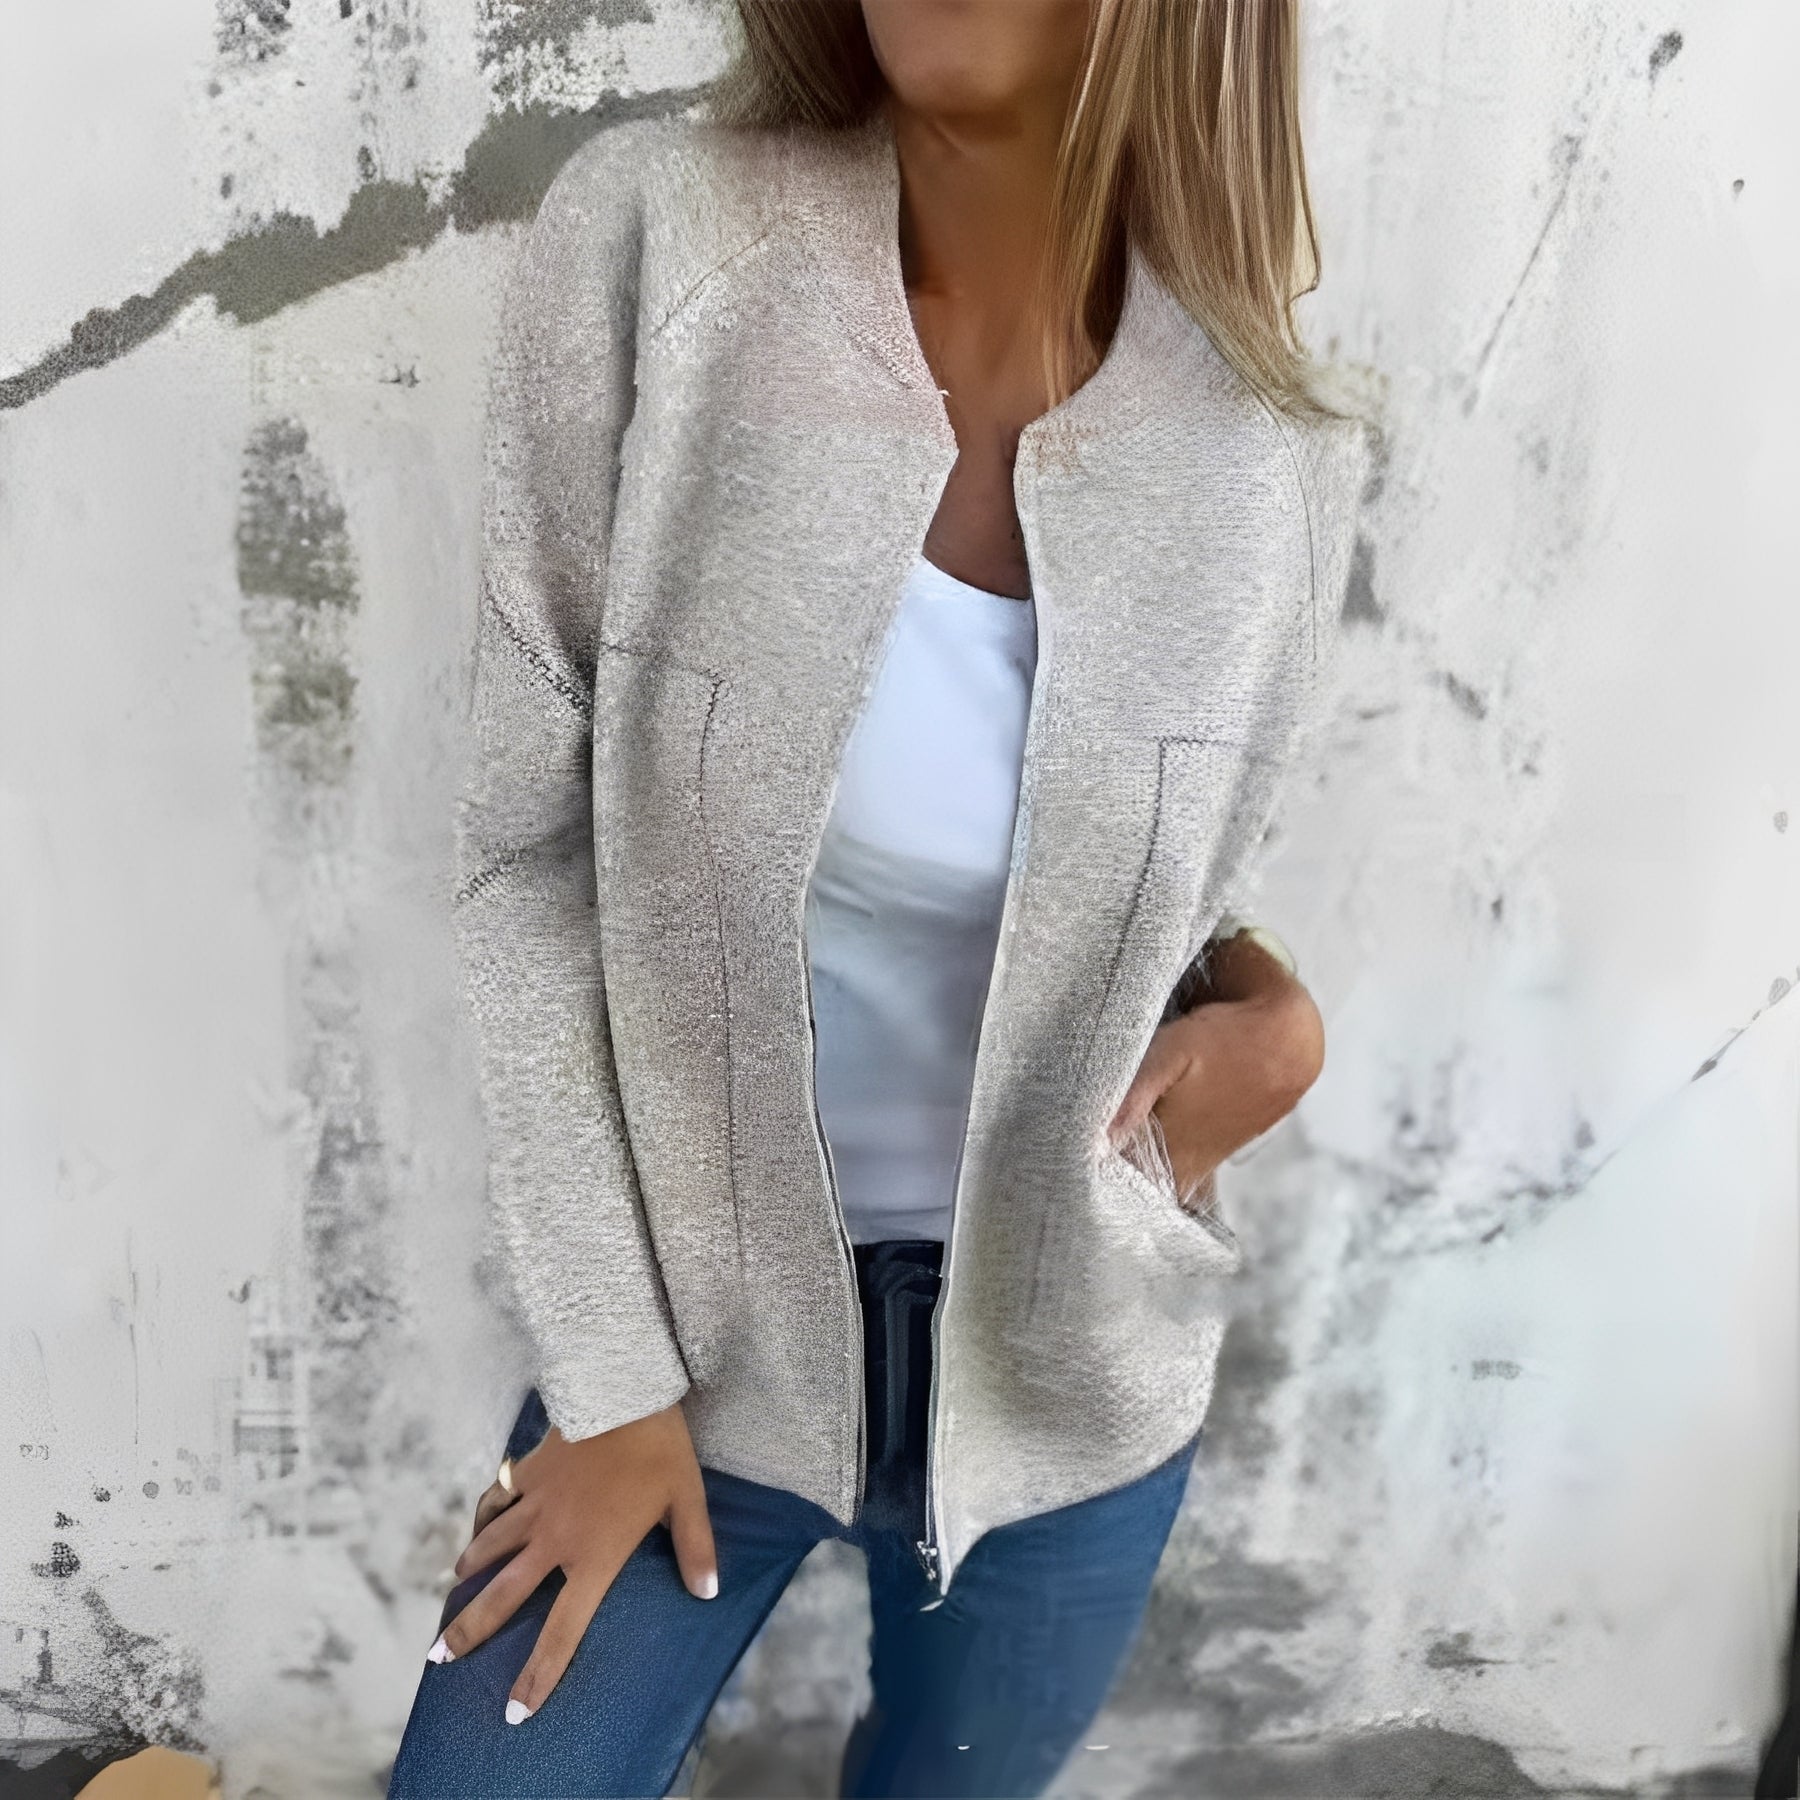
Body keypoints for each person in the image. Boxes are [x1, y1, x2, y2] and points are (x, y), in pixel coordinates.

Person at [389, 0, 1372, 1794]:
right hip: (693, 1342)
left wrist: (1277, 1023)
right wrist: (611, 1387)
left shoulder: (1273, 445)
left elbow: (1158, 892)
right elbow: (528, 856)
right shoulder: (660, 244)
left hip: (1066, 1370)